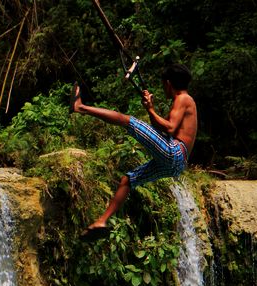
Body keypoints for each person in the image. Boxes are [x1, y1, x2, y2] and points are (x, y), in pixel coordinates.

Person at [70, 63, 197, 240]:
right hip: (177, 164)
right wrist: (149, 107)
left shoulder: (182, 99)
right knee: (128, 180)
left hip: (174, 151)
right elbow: (161, 127)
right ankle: (102, 221)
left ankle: (80, 108)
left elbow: (169, 128)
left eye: (163, 85)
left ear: (168, 83)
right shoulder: (185, 100)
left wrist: (151, 109)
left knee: (128, 121)